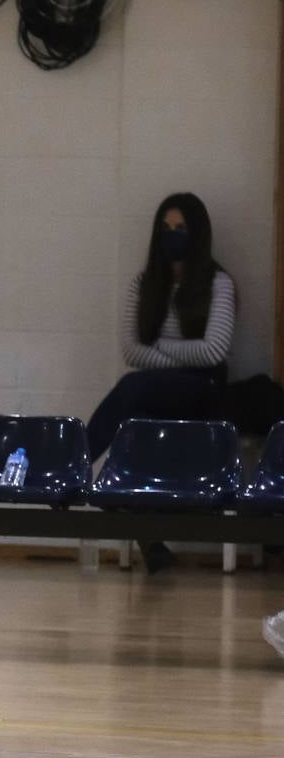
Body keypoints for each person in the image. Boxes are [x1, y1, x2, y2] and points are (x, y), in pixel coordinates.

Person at [87, 192, 236, 572]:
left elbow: (214, 352)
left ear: (197, 233)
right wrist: (180, 352)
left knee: (132, 388)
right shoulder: (143, 284)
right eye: (166, 228)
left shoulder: (218, 283)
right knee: (134, 410)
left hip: (203, 388)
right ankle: (151, 541)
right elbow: (131, 351)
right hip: (157, 386)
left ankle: (76, 459)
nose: (172, 235)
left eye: (181, 228)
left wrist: (161, 347)